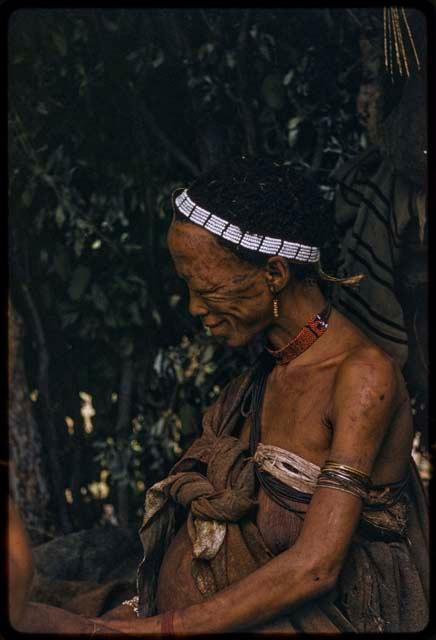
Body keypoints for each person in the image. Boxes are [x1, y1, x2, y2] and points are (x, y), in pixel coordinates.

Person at [12, 156, 428, 634]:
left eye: (204, 288)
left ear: (274, 274)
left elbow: (316, 567)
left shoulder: (362, 378)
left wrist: (148, 631)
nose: (193, 307)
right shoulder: (266, 373)